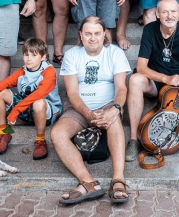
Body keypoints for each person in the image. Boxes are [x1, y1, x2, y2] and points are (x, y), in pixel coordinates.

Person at [52, 17, 130, 205]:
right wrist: (87, 113)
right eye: (88, 33)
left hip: (108, 105)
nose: (92, 38)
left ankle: (118, 180)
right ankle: (88, 183)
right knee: (57, 133)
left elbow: (121, 88)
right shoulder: (72, 55)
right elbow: (72, 93)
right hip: (79, 109)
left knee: (114, 120)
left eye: (97, 33)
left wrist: (115, 108)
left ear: (104, 34)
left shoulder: (115, 53)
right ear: (81, 35)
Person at [125, 0, 179, 162]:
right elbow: (141, 67)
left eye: (173, 11)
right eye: (164, 12)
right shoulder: (149, 30)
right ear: (157, 14)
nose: (169, 16)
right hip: (156, 81)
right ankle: (134, 140)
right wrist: (165, 78)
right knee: (135, 79)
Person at [0, 38, 62, 161]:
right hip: (26, 110)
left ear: (43, 57)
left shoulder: (49, 71)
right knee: (0, 92)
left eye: (34, 55)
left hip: (47, 112)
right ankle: (3, 133)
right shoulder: (22, 71)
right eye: (26, 55)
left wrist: (15, 111)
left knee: (38, 102)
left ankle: (40, 140)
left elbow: (39, 94)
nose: (29, 59)